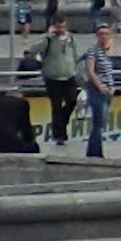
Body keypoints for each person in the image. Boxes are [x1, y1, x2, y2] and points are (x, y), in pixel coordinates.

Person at [38, 17, 80, 145]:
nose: (60, 30)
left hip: (69, 76)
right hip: (52, 77)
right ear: (54, 27)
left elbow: (75, 55)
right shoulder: (48, 40)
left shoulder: (71, 39)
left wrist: (76, 69)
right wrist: (47, 37)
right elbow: (34, 49)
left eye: (62, 27)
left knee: (72, 100)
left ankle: (61, 122)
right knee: (56, 106)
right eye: (58, 27)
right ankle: (59, 135)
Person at [83, 25, 115, 158]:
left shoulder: (106, 52)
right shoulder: (93, 50)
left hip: (108, 91)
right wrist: (100, 86)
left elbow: (108, 72)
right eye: (101, 34)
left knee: (101, 122)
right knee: (98, 122)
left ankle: (94, 150)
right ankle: (95, 152)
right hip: (97, 90)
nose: (104, 37)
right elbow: (89, 70)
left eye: (107, 34)